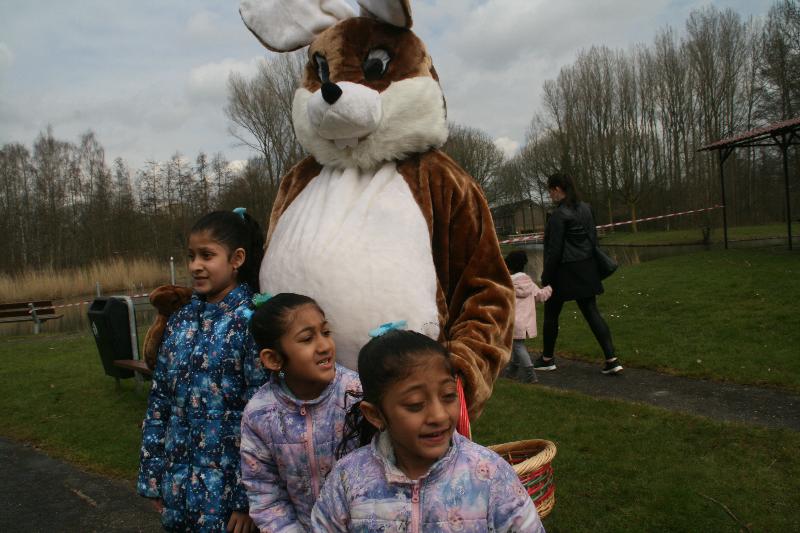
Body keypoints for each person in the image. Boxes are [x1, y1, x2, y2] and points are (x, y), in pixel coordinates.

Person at [311, 328, 544, 532]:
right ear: (376, 415)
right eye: (415, 404)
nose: (439, 415)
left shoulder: (489, 473)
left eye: (448, 396)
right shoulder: (348, 479)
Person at [138, 209, 268, 532]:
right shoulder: (180, 321)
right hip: (178, 488)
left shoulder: (252, 322)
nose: (195, 265)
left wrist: (247, 499)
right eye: (191, 256)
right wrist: (155, 476)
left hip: (226, 501)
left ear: (236, 258)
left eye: (207, 255)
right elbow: (159, 404)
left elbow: (262, 415)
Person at [240, 293, 361, 532]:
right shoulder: (260, 414)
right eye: (307, 339)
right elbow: (264, 492)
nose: (325, 345)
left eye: (325, 333)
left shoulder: (356, 395)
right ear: (273, 359)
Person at [534, 173, 622, 375]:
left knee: (551, 314)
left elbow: (554, 250)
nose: (550, 195)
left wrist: (546, 276)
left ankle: (547, 358)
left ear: (557, 189)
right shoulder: (587, 208)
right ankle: (612, 359)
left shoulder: (558, 215)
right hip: (586, 267)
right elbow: (592, 238)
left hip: (564, 271)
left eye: (550, 191)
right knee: (592, 312)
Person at [502, 250, 552, 383]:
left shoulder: (507, 283)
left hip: (513, 321)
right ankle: (512, 371)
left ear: (509, 266)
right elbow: (540, 296)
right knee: (517, 345)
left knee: (518, 346)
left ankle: (530, 375)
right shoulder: (529, 282)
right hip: (526, 322)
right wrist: (550, 288)